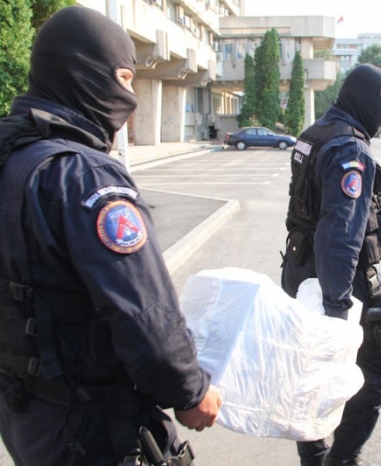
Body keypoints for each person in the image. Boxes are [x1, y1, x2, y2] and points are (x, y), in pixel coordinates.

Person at [0, 6, 221, 465]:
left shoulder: (13, 157)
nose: (129, 97)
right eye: (123, 78)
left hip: (27, 413)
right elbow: (145, 312)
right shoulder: (84, 175)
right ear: (84, 74)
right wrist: (190, 390)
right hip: (92, 426)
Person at [281, 63, 381, 466]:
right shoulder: (351, 149)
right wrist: (338, 311)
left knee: (311, 377)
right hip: (339, 284)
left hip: (301, 274)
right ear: (363, 96)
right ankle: (339, 460)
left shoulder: (314, 133)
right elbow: (341, 234)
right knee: (380, 372)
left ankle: (315, 458)